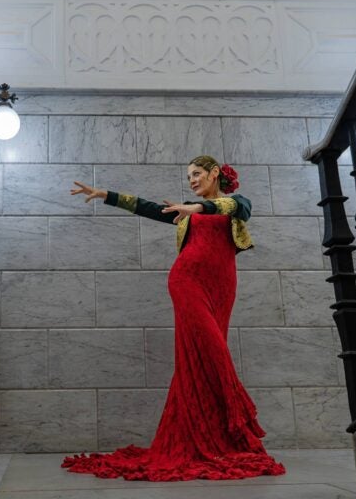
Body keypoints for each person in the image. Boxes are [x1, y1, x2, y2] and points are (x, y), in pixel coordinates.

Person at [63, 155, 286, 481]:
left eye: (197, 174)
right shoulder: (186, 212)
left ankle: (212, 438)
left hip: (222, 289)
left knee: (201, 361)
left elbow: (238, 208)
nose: (192, 181)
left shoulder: (236, 204)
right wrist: (105, 194)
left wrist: (198, 208)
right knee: (212, 352)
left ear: (214, 174)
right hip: (187, 283)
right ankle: (240, 419)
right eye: (189, 176)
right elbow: (148, 207)